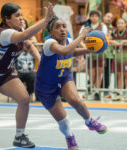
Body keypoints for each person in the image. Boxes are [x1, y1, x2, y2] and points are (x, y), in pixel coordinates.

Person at [0, 2, 53, 150]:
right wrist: (45, 20)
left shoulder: (19, 29)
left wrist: (41, 61)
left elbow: (29, 44)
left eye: (21, 15)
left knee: (24, 99)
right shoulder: (5, 33)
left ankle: (19, 137)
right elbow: (26, 35)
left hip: (4, 73)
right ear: (7, 19)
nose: (21, 18)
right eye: (17, 15)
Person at [35, 17, 107, 150]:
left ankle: (90, 121)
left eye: (64, 26)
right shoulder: (49, 43)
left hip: (64, 78)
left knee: (76, 100)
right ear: (51, 32)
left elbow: (72, 51)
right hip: (45, 86)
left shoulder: (68, 41)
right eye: (57, 27)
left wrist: (90, 49)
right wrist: (81, 36)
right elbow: (64, 51)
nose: (62, 29)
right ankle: (69, 137)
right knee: (64, 121)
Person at [80, 10, 108, 100]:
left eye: (96, 16)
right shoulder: (85, 26)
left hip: (100, 52)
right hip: (89, 52)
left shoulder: (103, 26)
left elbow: (106, 39)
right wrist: (84, 46)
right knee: (91, 73)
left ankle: (97, 91)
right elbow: (80, 39)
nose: (94, 17)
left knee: (99, 73)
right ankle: (93, 88)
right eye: (92, 16)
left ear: (98, 17)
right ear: (90, 17)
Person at [15, 19, 38, 102]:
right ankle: (18, 96)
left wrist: (23, 44)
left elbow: (34, 40)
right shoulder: (15, 34)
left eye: (24, 23)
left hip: (30, 70)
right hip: (18, 70)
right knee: (13, 77)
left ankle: (30, 93)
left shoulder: (30, 35)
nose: (22, 24)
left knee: (34, 76)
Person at [111, 18, 127, 101]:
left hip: (126, 57)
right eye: (118, 23)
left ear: (125, 24)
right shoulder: (114, 32)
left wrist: (124, 41)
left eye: (122, 23)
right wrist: (113, 42)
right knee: (119, 75)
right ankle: (120, 93)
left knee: (126, 75)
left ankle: (126, 93)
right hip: (117, 57)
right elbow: (109, 39)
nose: (120, 25)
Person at [102, 12, 114, 99]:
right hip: (99, 54)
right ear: (103, 17)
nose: (109, 18)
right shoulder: (100, 26)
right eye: (108, 16)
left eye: (111, 17)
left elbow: (112, 39)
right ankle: (92, 90)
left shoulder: (113, 29)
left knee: (107, 73)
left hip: (109, 54)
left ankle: (106, 91)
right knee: (95, 73)